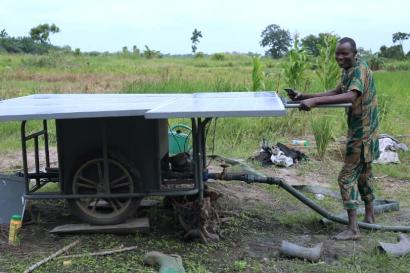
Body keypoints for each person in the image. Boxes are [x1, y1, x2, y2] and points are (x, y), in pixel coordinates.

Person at [287, 37, 379, 240]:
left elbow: (350, 96)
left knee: (345, 178)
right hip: (364, 132)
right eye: (338, 53)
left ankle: (353, 229)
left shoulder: (359, 70)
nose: (340, 57)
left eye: (344, 53)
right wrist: (304, 96)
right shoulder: (349, 70)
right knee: (363, 175)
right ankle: (370, 217)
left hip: (363, 134)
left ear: (355, 54)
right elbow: (338, 91)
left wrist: (315, 101)